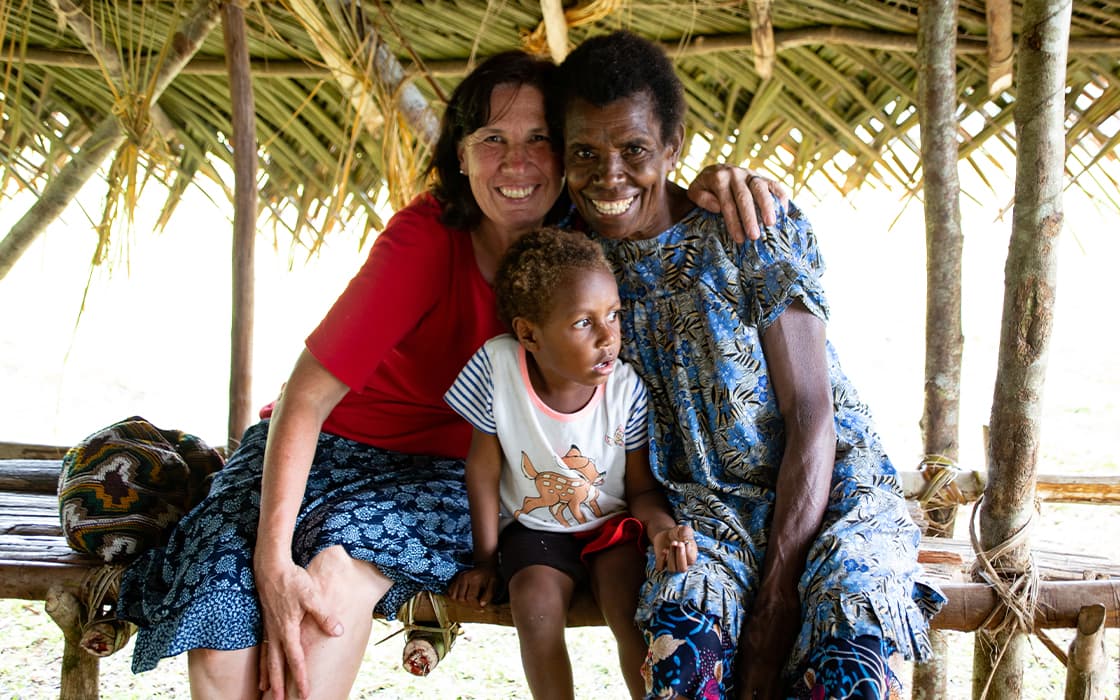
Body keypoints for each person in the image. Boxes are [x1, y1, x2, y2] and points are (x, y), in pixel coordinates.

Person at [116, 48, 785, 700]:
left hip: (446, 474)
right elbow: (306, 398)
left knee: (334, 578)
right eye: (492, 139)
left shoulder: (585, 234)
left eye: (539, 139)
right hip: (323, 449)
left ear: (564, 153)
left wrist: (724, 179)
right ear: (459, 156)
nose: (517, 162)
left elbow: (654, 192)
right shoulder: (426, 238)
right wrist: (270, 561)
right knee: (224, 614)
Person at [555, 31, 946, 700]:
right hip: (703, 513)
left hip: (833, 491)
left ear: (673, 148)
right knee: (683, 658)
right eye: (584, 152)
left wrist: (776, 600)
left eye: (635, 150)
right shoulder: (576, 265)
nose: (608, 175)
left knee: (848, 658)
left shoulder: (747, 229)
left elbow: (812, 416)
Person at [444, 227, 697, 700]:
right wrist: (485, 561)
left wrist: (662, 530)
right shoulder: (498, 368)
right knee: (533, 607)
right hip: (533, 529)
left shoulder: (626, 391)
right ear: (529, 334)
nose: (608, 337)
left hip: (612, 529)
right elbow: (483, 469)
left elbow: (641, 489)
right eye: (583, 322)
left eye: (613, 315)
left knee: (628, 608)